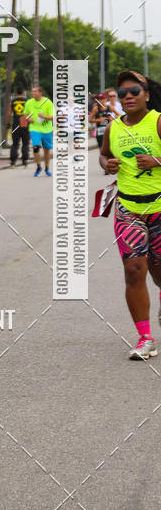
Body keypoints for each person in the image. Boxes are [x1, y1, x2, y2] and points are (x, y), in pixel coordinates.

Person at [100, 71, 161, 361]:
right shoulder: (113, 128)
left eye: (135, 90)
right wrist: (107, 163)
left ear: (146, 95)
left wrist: (157, 160)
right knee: (134, 270)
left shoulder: (158, 121)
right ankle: (145, 338)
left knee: (159, 273)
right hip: (128, 208)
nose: (128, 96)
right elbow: (103, 154)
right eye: (122, 92)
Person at [24, 85, 54, 176]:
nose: (33, 93)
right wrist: (28, 119)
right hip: (34, 128)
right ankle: (38, 166)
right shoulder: (29, 102)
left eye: (35, 91)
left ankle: (47, 167)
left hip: (47, 129)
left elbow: (52, 117)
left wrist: (44, 117)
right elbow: (26, 114)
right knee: (36, 147)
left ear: (40, 92)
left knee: (46, 150)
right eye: (32, 91)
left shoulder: (47, 102)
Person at [7, 87, 29, 167]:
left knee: (15, 144)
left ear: (16, 92)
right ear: (23, 92)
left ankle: (13, 162)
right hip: (25, 124)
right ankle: (25, 161)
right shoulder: (27, 101)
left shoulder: (13, 101)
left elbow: (9, 113)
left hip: (16, 124)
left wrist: (8, 123)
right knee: (25, 143)